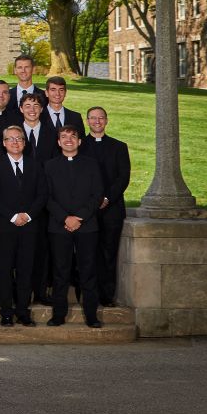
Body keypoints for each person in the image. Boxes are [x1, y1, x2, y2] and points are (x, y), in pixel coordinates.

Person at [45, 126, 104, 328]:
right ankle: (58, 315)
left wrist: (79, 217)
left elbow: (97, 194)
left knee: (88, 271)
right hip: (59, 227)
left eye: (73, 136)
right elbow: (47, 197)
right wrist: (65, 218)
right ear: (59, 142)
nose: (68, 140)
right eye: (64, 137)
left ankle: (92, 316)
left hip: (87, 226)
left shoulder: (92, 165)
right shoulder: (49, 166)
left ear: (79, 141)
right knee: (60, 272)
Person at [0, 125, 45, 326]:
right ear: (4, 143)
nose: (15, 142)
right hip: (4, 226)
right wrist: (13, 216)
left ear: (24, 142)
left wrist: (28, 215)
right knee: (4, 271)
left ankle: (23, 311)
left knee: (25, 270)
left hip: (29, 227)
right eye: (11, 139)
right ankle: (6, 312)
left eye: (19, 138)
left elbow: (42, 195)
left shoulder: (35, 165)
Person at [82, 106, 131, 306]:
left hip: (112, 209)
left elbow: (123, 177)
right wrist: (94, 201)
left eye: (100, 118)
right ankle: (88, 294)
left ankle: (107, 295)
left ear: (106, 121)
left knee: (109, 253)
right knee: (88, 253)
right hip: (87, 210)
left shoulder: (119, 147)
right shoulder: (80, 145)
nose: (97, 121)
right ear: (87, 121)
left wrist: (107, 198)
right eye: (93, 118)